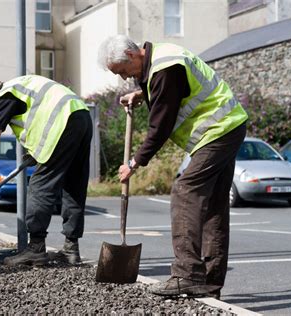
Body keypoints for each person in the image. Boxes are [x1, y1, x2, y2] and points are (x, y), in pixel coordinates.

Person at [98, 35, 247, 299]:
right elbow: (170, 92)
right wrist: (140, 94)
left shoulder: (165, 67)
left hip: (218, 130)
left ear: (132, 56)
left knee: (184, 190)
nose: (123, 78)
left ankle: (186, 275)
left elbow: (160, 127)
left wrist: (135, 162)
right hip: (227, 127)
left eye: (122, 72)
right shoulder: (160, 60)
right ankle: (209, 285)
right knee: (213, 208)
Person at [0, 75, 92, 266]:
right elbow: (39, 115)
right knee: (73, 185)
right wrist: (34, 152)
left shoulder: (4, 96)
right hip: (81, 114)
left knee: (39, 186)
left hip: (62, 123)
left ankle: (36, 248)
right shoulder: (24, 84)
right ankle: (71, 249)